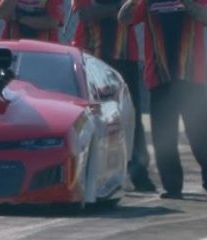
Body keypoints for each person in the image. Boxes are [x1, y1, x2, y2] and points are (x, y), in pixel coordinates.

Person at [118, 0, 207, 200]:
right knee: (164, 138)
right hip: (160, 78)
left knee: (201, 137)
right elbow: (124, 20)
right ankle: (172, 188)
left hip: (191, 78)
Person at [71, 0, 156, 192]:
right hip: (92, 56)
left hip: (125, 56)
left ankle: (138, 172)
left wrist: (108, 11)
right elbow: (85, 14)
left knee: (130, 116)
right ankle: (90, 172)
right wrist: (116, 10)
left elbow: (133, 16)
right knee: (92, 115)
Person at [0, 0, 64, 42]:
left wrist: (19, 18)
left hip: (46, 49)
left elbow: (53, 22)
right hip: (13, 46)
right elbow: (2, 13)